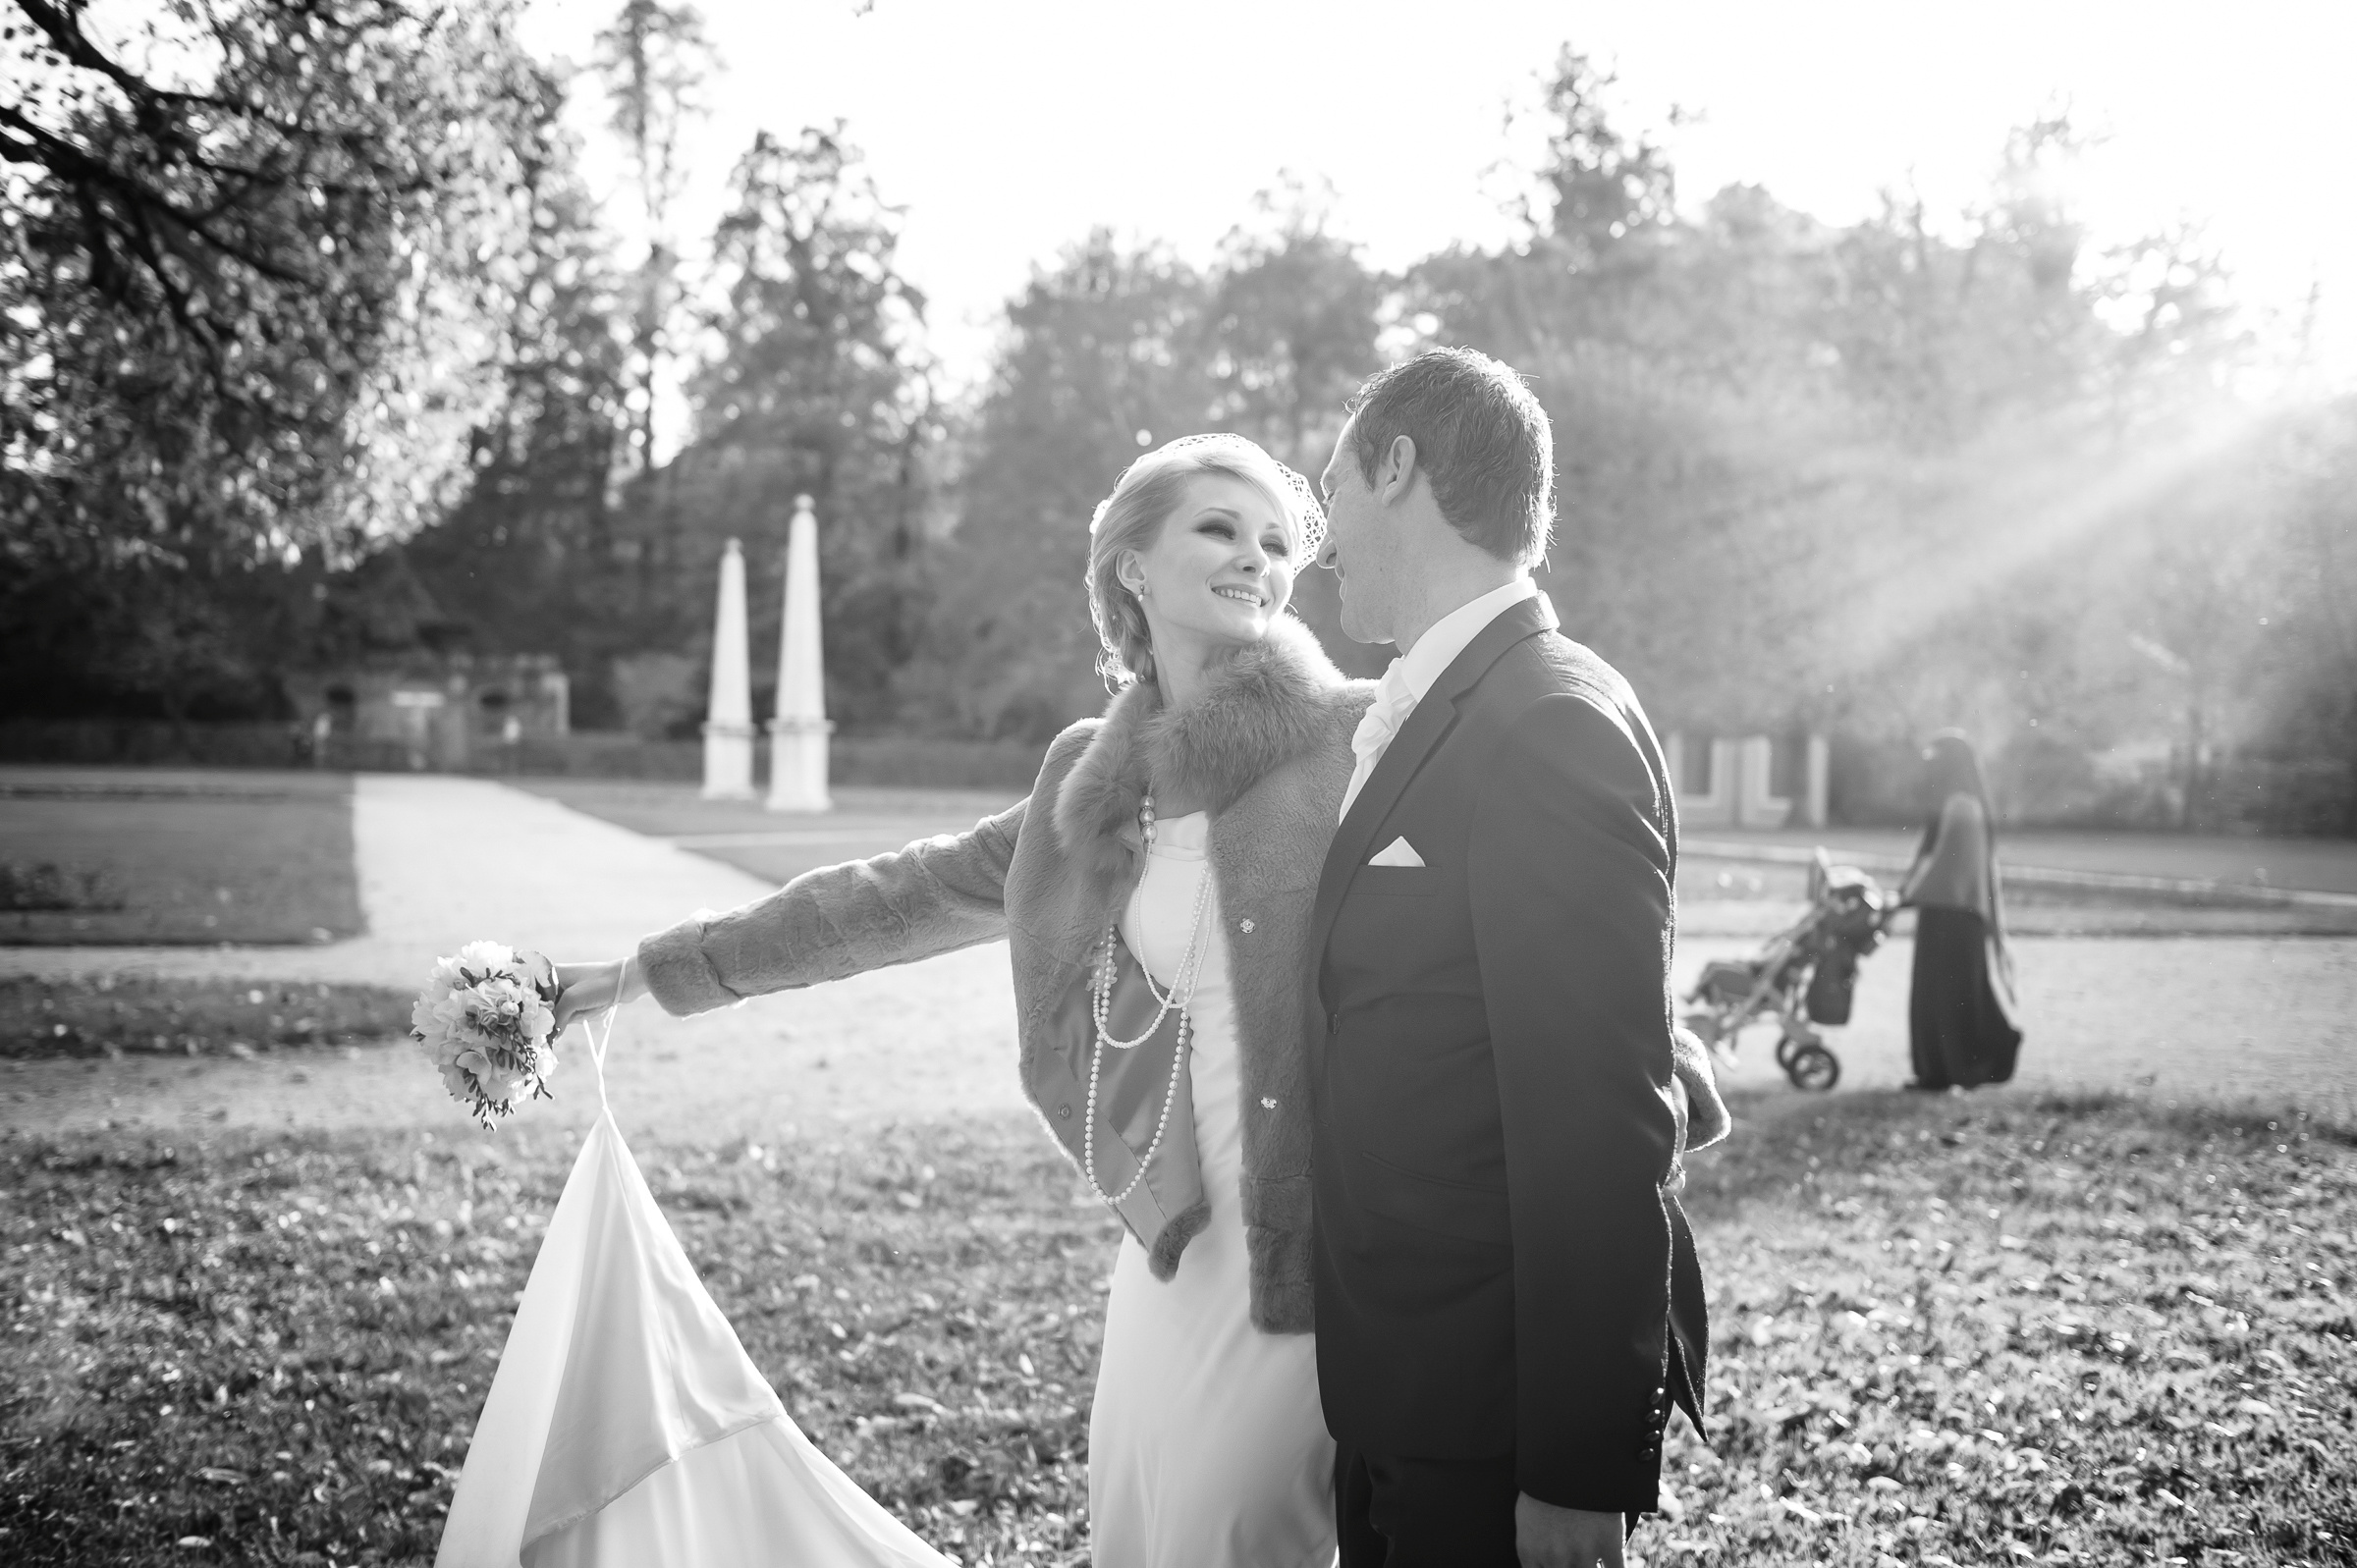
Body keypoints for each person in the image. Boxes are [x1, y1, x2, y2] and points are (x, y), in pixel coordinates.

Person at [546, 430, 1727, 1566]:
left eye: (1277, 539)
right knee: (1138, 1530)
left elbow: (1543, 935)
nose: (1259, 560)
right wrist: (646, 973)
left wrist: (1670, 1066)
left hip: (1322, 1257)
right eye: (1220, 528)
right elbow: (890, 900)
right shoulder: (1089, 778)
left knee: (1229, 1536)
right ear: (1132, 567)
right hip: (1170, 1249)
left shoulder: (1365, 735)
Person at [1306, 348, 1709, 1568]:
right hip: (1400, 1383)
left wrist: (1578, 1468)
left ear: (1398, 467)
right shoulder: (1442, 701)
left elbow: (1597, 1118)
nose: (1318, 545)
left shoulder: (1547, 724)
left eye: (1329, 496)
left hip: (1487, 1427)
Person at [1896, 730, 2022, 1090]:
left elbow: (1948, 865)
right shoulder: (1956, 803)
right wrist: (1908, 891)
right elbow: (1931, 858)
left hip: (1955, 912)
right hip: (1943, 910)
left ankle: (1968, 1065)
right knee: (1936, 994)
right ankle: (1935, 1072)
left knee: (1955, 996)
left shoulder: (1962, 805)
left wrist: (1911, 894)